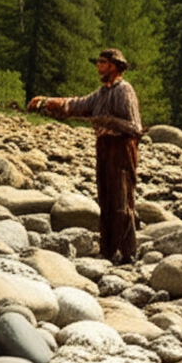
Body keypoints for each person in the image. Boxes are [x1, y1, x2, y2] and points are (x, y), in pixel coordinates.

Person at [27, 48, 143, 265]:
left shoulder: (124, 91)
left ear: (114, 66)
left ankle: (128, 253)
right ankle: (108, 251)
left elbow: (135, 127)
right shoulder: (100, 94)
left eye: (102, 62)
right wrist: (46, 101)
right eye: (98, 62)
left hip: (122, 149)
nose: (98, 66)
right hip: (104, 147)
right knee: (106, 199)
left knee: (121, 200)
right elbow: (76, 105)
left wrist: (107, 122)